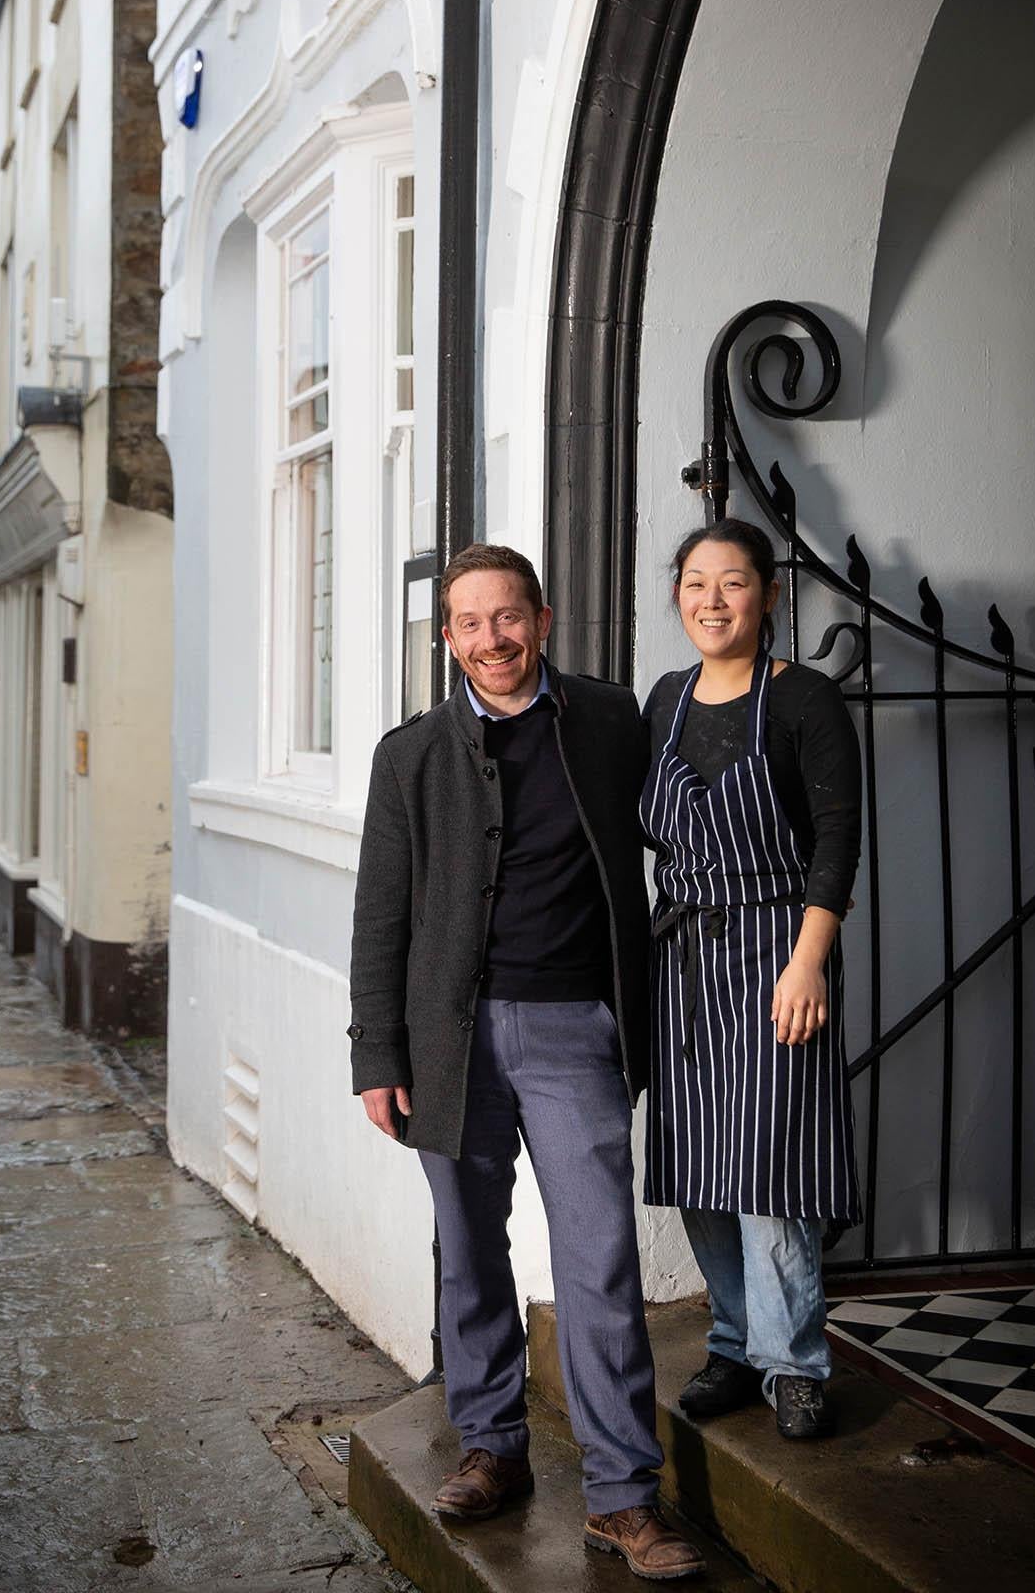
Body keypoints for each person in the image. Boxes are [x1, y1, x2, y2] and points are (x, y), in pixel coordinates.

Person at [350, 543, 705, 1581]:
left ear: (542, 620)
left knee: (599, 1259)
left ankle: (623, 1496)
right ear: (448, 636)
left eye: (509, 617)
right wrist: (378, 1051)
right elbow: (381, 913)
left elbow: (690, 809)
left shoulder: (607, 720)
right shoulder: (409, 754)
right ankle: (493, 1445)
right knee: (467, 1248)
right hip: (446, 1039)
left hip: (574, 1032)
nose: (492, 638)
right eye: (471, 622)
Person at [642, 518, 861, 1441]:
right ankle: (733, 1342)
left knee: (773, 1167)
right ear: (679, 597)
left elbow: (838, 841)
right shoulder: (663, 700)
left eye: (734, 583)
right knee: (699, 1166)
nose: (713, 601)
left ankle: (795, 1365)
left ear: (767, 596)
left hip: (779, 948)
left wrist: (806, 961)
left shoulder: (807, 699)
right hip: (685, 958)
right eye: (696, 583)